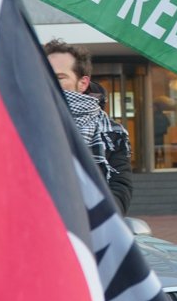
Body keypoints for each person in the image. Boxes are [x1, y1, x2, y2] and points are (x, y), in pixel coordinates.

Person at [44, 38, 133, 214]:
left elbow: (120, 187)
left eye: (60, 78)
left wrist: (100, 220)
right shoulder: (20, 123)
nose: (50, 83)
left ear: (83, 83)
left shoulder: (112, 133)